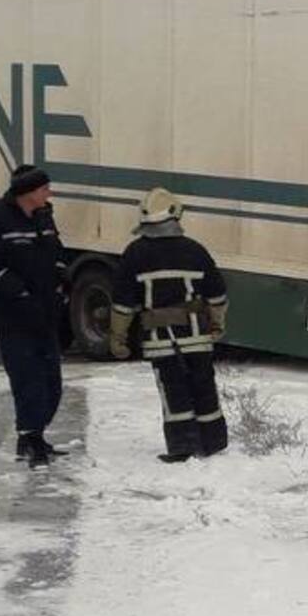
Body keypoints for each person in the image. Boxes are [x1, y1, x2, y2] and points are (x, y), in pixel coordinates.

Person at [107, 188, 230, 462]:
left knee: (172, 388)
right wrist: (217, 324)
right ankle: (213, 441)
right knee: (203, 384)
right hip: (197, 335)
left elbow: (123, 303)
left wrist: (118, 339)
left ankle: (182, 445)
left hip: (160, 339)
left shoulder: (134, 253)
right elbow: (217, 294)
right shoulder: (195, 250)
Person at [0, 164, 66, 466]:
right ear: (29, 192)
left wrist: (62, 276)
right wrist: (18, 293)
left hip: (46, 313)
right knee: (28, 380)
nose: (49, 194)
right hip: (14, 316)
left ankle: (34, 435)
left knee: (52, 382)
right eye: (44, 189)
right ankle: (31, 439)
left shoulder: (44, 216)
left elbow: (56, 251)